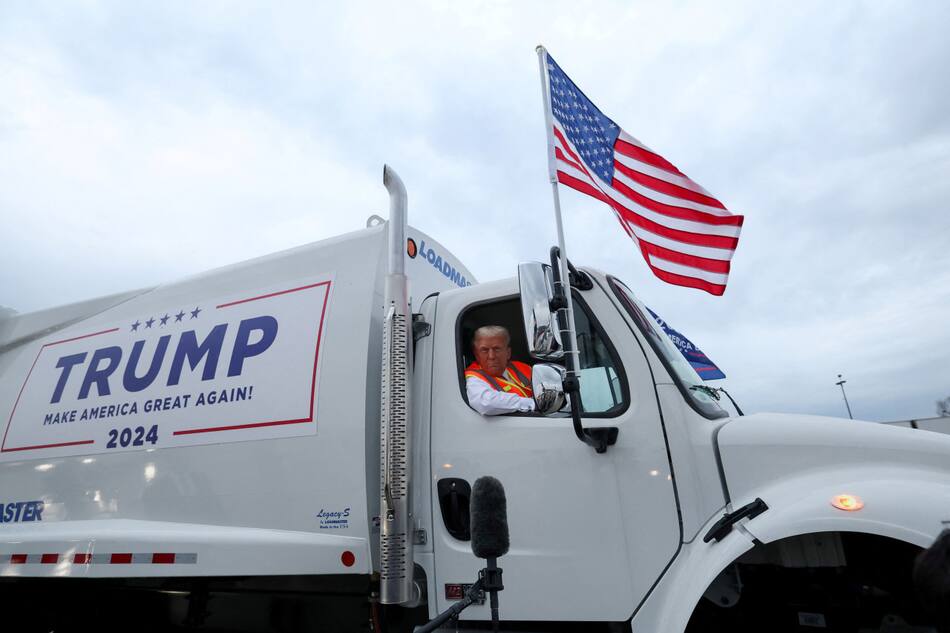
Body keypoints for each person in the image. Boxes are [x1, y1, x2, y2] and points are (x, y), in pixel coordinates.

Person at [465, 325, 535, 415]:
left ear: (508, 353)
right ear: (477, 355)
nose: (491, 356)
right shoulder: (473, 377)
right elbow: (486, 403)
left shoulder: (523, 367)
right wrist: (531, 403)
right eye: (484, 350)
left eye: (497, 349)